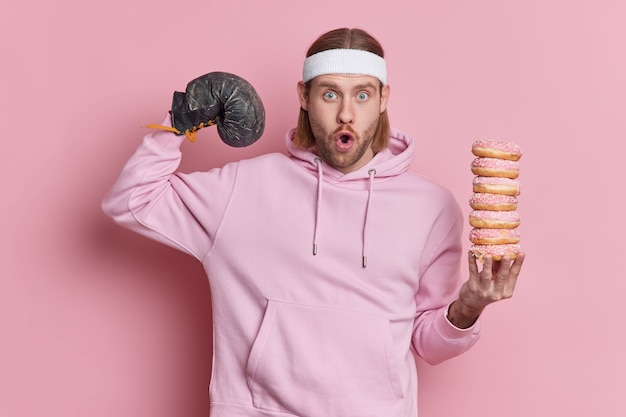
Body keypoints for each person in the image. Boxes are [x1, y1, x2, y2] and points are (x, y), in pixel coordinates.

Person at [102, 27, 525, 417]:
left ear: (383, 99)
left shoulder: (432, 207)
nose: (346, 114)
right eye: (329, 95)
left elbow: (427, 344)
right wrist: (179, 121)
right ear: (304, 96)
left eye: (361, 96)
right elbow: (130, 200)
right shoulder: (243, 188)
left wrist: (469, 307)